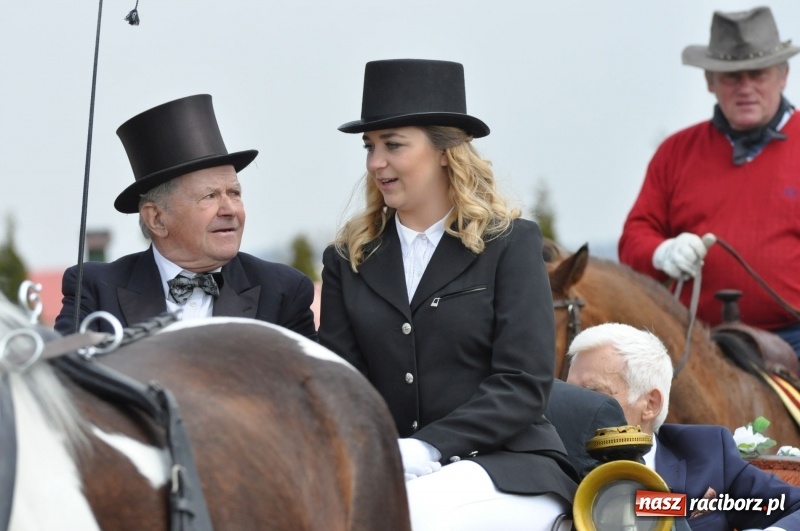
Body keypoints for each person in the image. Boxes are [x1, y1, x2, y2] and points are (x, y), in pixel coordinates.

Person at [318, 59, 577, 530]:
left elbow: (522, 384)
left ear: (444, 150)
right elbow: (343, 385)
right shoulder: (346, 260)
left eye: (393, 145)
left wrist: (426, 447)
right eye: (370, 146)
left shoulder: (511, 244)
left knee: (410, 515)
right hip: (390, 472)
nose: (376, 163)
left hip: (510, 467)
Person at [55, 94, 317, 340]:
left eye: (234, 193)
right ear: (156, 218)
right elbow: (62, 380)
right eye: (210, 196)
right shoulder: (94, 289)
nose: (230, 210)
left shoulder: (284, 292)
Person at [618, 6, 800, 356]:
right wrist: (661, 252)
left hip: (794, 337)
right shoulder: (676, 152)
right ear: (710, 81)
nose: (745, 88)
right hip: (697, 341)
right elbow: (634, 239)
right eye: (732, 76)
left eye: (757, 73)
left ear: (783, 75)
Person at [566, 322, 800, 531]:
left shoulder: (707, 453)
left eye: (593, 393)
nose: (573, 405)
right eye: (567, 392)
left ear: (650, 404)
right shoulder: (551, 456)